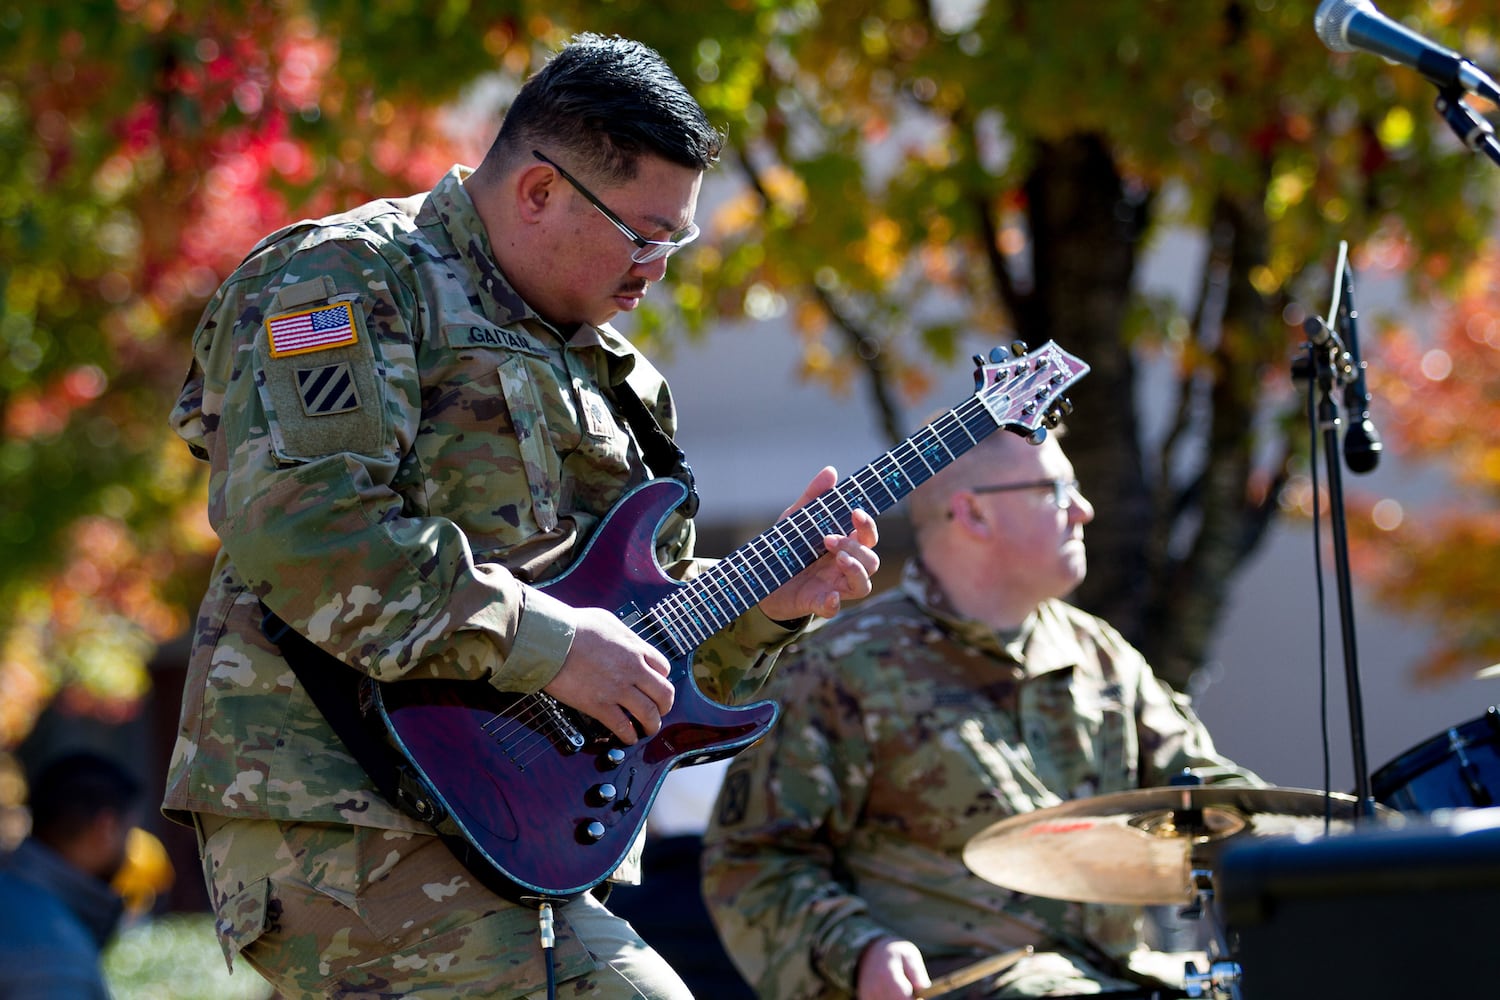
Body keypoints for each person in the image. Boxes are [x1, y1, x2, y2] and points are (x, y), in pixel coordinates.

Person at [162, 32, 879, 1000]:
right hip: (348, 810)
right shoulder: (340, 280)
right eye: (645, 232)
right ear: (540, 191)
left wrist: (766, 610)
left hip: (522, 832)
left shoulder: (618, 375)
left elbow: (636, 654)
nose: (658, 265)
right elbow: (307, 532)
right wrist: (546, 643)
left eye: (677, 238)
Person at [700, 428, 1261, 999]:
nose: (1085, 511)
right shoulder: (843, 667)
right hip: (962, 985)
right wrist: (858, 951)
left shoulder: (1102, 656)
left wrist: (1305, 846)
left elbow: (1210, 798)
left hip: (1126, 974)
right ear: (973, 514)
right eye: (1058, 490)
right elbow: (752, 861)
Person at [0, 750, 143, 1000]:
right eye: (128, 833)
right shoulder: (54, 958)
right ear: (105, 827)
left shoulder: (14, 900)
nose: (129, 851)